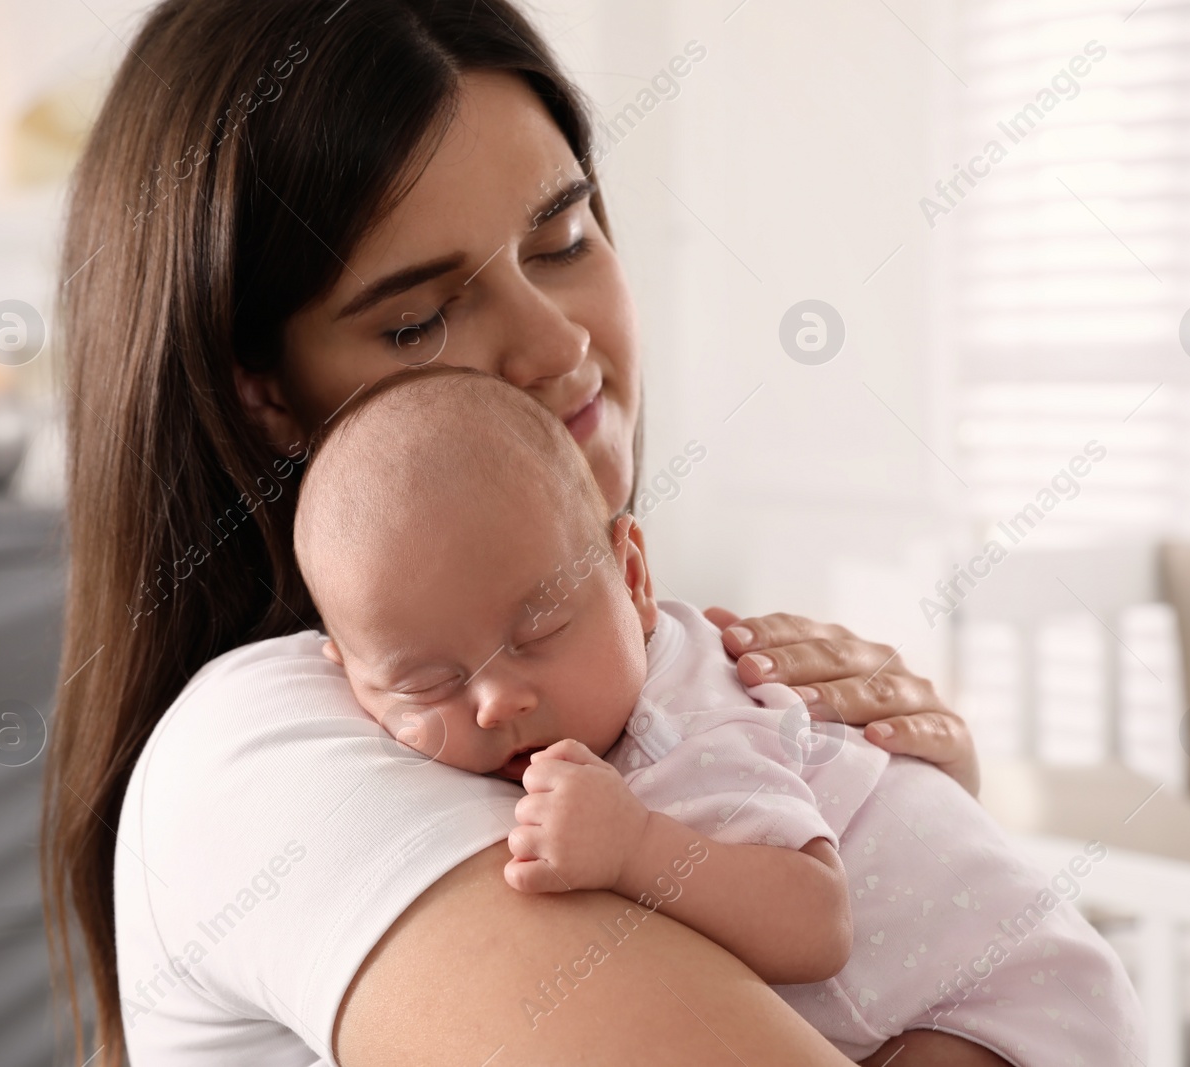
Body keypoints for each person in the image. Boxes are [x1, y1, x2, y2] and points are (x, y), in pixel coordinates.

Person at [45, 1, 1000, 1064]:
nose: (555, 344)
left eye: (560, 240)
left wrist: (900, 812)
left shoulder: (646, 680)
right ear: (262, 391)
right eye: (416, 320)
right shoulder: (276, 748)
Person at [290, 365, 1146, 1065]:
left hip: (1018, 1008)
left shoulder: (686, 723)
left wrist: (634, 846)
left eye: (540, 629)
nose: (495, 699)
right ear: (347, 674)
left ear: (632, 580)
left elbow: (816, 923)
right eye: (427, 683)